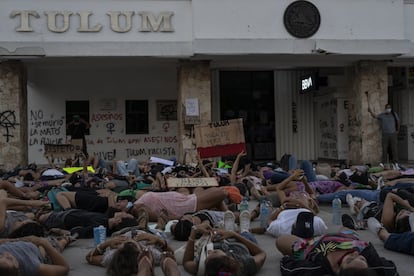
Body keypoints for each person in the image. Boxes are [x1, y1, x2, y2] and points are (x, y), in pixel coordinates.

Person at [276, 229, 398, 275]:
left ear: (337, 270)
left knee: (281, 241)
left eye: (349, 259)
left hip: (311, 245)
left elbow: (287, 266)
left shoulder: (317, 268)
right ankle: (348, 226)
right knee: (345, 229)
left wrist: (296, 255)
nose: (355, 254)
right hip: (346, 236)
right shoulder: (373, 262)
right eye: (362, 258)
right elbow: (391, 269)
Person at [182, 223, 266, 275]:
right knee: (245, 233)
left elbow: (186, 262)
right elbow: (262, 254)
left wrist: (194, 231)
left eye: (208, 255)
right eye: (214, 252)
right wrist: (234, 234)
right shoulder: (244, 263)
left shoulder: (204, 268)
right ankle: (246, 230)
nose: (210, 252)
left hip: (214, 239)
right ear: (228, 258)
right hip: (241, 241)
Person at [0, 235, 70, 276]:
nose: (6, 254)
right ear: (18, 269)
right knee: (57, 244)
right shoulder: (30, 266)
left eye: (1, 256)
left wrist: (16, 239)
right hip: (43, 249)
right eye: (10, 258)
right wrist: (44, 243)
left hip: (28, 240)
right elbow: (64, 268)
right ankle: (66, 239)